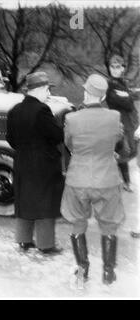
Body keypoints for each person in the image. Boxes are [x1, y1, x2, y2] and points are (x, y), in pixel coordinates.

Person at [62, 74, 125, 286]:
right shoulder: (115, 117)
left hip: (77, 179)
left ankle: (82, 272)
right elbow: (118, 141)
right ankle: (108, 275)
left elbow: (69, 144)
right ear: (104, 95)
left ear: (86, 92)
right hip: (107, 179)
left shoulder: (71, 119)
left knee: (78, 224)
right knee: (109, 226)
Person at [6, 71, 64, 255]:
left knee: (25, 200)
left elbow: (10, 138)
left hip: (22, 161)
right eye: (47, 89)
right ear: (39, 89)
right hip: (43, 164)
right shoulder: (42, 111)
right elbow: (57, 135)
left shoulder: (14, 110)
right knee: (45, 202)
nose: (48, 94)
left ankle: (23, 241)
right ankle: (46, 245)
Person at [105, 55, 139, 192]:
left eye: (117, 66)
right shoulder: (110, 84)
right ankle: (126, 182)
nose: (114, 69)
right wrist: (128, 97)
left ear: (123, 68)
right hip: (118, 122)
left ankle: (117, 173)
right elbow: (125, 104)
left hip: (130, 122)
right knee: (124, 151)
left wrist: (128, 96)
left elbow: (129, 100)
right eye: (112, 67)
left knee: (133, 151)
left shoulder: (123, 83)